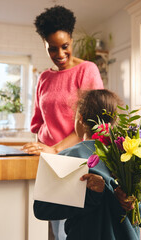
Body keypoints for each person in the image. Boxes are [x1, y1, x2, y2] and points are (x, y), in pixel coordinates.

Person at [33, 89, 141, 240]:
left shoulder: (66, 157)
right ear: (115, 121)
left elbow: (41, 210)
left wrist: (90, 197)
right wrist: (133, 206)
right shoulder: (131, 157)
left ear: (80, 118)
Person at [22, 5, 104, 156]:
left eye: (65, 46)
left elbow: (91, 123)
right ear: (44, 44)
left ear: (72, 40)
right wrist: (39, 148)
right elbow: (38, 122)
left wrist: (55, 150)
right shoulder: (44, 77)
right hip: (46, 156)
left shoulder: (87, 70)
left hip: (75, 157)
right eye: (52, 48)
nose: (60, 54)